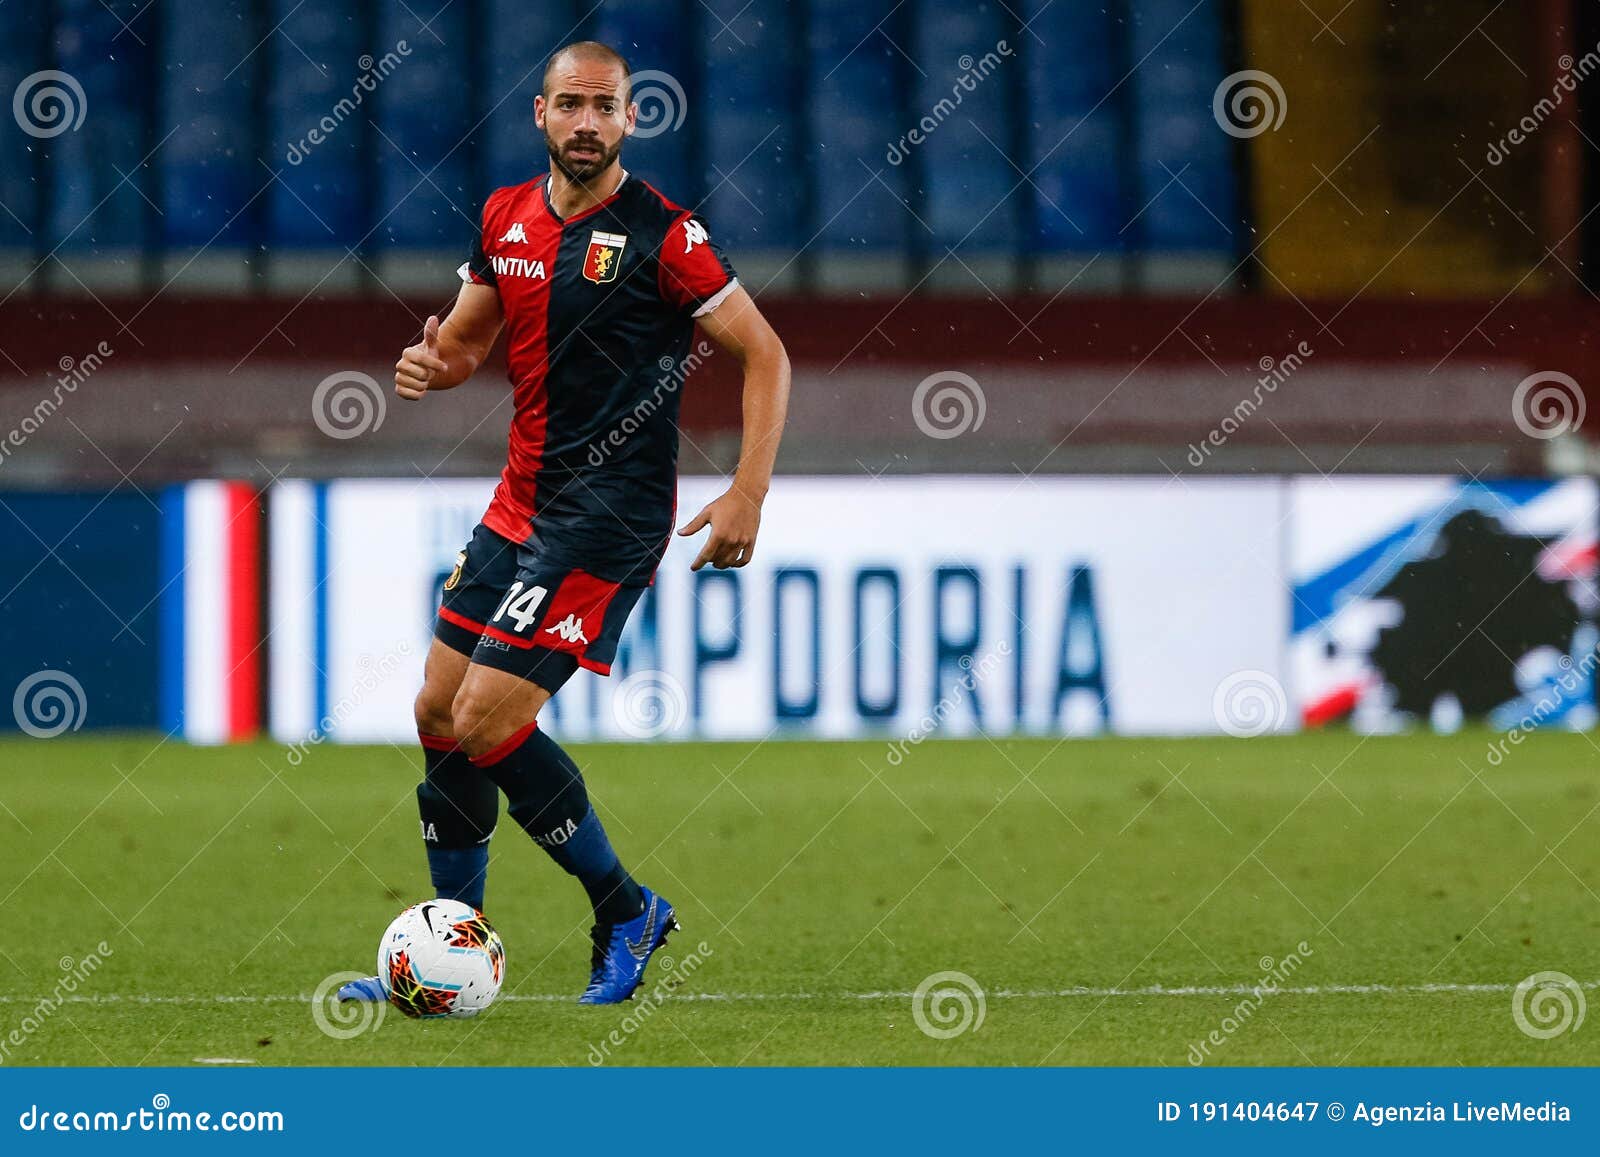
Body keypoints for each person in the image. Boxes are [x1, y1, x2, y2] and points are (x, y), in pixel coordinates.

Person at [340, 40, 790, 1005]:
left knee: (486, 719)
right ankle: (455, 942)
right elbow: (464, 345)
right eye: (570, 105)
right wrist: (431, 368)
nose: (588, 123)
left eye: (607, 107)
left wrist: (748, 488)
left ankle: (627, 907)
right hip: (518, 505)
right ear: (538, 115)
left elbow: (766, 354)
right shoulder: (504, 217)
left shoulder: (665, 235)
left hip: (608, 519)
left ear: (631, 119)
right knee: (436, 716)